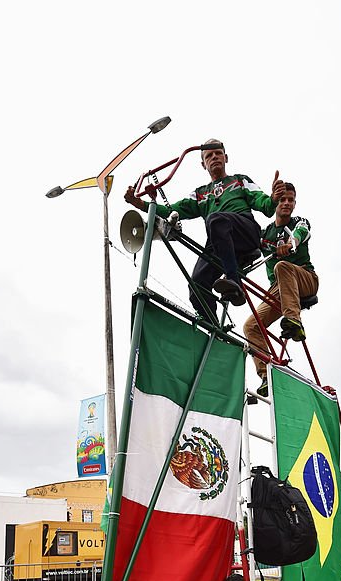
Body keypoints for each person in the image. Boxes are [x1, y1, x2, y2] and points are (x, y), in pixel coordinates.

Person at [125, 139, 284, 319]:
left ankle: (234, 281)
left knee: (215, 220)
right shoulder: (200, 193)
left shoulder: (240, 181)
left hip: (244, 230)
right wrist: (140, 204)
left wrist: (273, 199)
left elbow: (265, 205)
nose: (214, 157)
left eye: (218, 153)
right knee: (197, 284)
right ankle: (214, 329)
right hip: (218, 240)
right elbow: (172, 210)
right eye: (209, 155)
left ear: (226, 158)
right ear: (203, 164)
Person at [242, 183, 318, 395]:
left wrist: (291, 243)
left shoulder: (298, 222)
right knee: (251, 326)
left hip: (304, 278)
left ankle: (294, 320)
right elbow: (249, 247)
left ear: (294, 204)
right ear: (275, 201)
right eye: (282, 199)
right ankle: (266, 374)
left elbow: (301, 232)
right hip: (279, 289)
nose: (286, 203)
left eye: (290, 200)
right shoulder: (265, 233)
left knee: (282, 266)